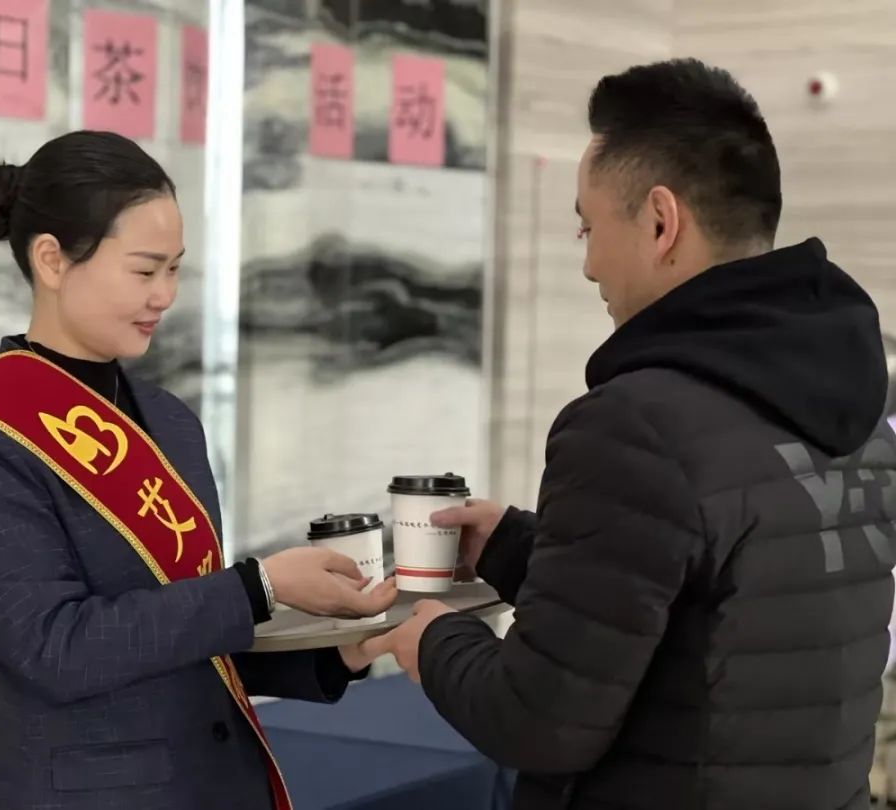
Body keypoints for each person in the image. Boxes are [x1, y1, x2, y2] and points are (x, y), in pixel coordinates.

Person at [362, 58, 896, 809]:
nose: (587, 265)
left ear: (660, 222)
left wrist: (433, 640)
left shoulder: (633, 423)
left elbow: (538, 721)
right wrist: (517, 545)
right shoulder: (856, 394)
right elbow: (710, 593)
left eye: (588, 226)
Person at [0, 129, 396, 810]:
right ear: (52, 260)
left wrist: (339, 649)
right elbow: (54, 649)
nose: (165, 295)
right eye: (144, 271)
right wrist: (259, 586)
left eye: (175, 269)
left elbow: (185, 634)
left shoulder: (169, 420)